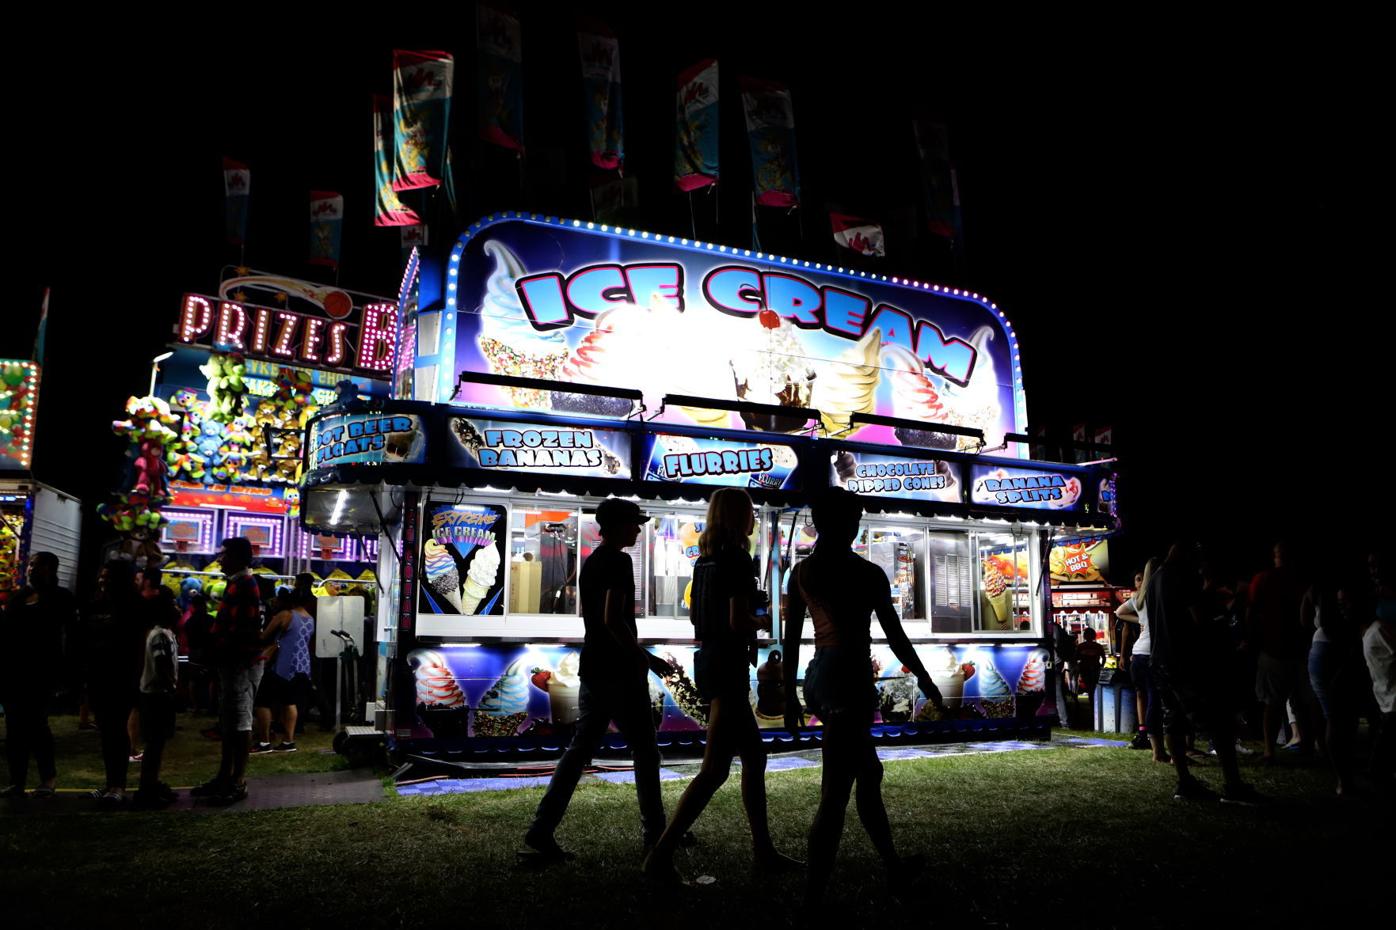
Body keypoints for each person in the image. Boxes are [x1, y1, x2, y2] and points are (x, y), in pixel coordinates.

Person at [782, 488, 947, 907]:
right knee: (836, 791)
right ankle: (812, 899)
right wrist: (927, 682)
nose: (856, 524)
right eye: (854, 518)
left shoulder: (801, 573)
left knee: (867, 774)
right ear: (846, 524)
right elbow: (895, 636)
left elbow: (792, 638)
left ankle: (893, 867)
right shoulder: (868, 573)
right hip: (848, 679)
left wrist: (789, 695)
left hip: (820, 677)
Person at [643, 489, 800, 882]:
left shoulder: (705, 562)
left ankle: (764, 851)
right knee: (714, 770)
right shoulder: (737, 558)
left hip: (710, 661)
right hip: (728, 665)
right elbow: (737, 622)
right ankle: (660, 856)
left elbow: (698, 616)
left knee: (754, 758)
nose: (754, 519)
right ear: (737, 517)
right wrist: (761, 619)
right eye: (749, 512)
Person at [524, 499, 676, 861]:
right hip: (620, 671)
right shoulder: (619, 561)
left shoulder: (592, 561)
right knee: (644, 749)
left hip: (594, 665)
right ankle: (656, 833)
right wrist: (646, 658)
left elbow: (599, 619)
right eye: (634, 524)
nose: (639, 530)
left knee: (580, 751)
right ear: (618, 526)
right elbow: (612, 618)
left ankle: (541, 829)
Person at [1146, 542, 1261, 805]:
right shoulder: (1181, 576)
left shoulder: (1156, 579)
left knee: (1173, 721)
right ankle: (1233, 785)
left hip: (1161, 659)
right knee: (1218, 721)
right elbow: (1199, 619)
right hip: (1187, 660)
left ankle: (1185, 782)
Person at [192, 538, 264, 805]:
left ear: (236, 557)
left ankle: (237, 780)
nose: (219, 559)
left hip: (241, 665)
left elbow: (242, 631)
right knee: (228, 722)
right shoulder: (238, 583)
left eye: (223, 554)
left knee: (240, 722)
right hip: (232, 664)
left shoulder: (245, 585)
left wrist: (219, 651)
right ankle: (225, 776)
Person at [1, 552, 78, 798]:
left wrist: (65, 672)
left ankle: (48, 778)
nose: (30, 569)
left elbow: (70, 635)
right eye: (31, 565)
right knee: (14, 728)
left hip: (42, 671)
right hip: (14, 672)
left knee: (37, 726)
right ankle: (17, 781)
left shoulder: (61, 598)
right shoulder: (19, 597)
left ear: (49, 569)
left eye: (36, 565)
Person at [82, 559, 143, 807]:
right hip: (99, 675)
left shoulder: (133, 607)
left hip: (122, 677)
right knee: (106, 731)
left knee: (117, 730)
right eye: (101, 576)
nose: (102, 581)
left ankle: (118, 784)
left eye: (108, 577)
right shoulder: (96, 604)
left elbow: (136, 647)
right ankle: (109, 783)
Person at [1248, 542, 1309, 763]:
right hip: (1289, 647)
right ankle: (1303, 744)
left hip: (1277, 648)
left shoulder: (1265, 579)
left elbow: (1252, 612)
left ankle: (1271, 750)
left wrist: (1252, 640)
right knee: (1296, 701)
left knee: (1274, 703)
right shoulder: (1298, 580)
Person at [132, 591, 179, 810]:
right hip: (157, 695)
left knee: (157, 743)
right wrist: (171, 686)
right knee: (154, 744)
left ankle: (152, 783)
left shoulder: (163, 633)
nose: (177, 608)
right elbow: (162, 663)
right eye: (173, 604)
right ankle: (147, 788)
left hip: (157, 693)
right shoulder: (160, 634)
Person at [253, 590, 315, 752]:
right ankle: (288, 741)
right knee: (289, 702)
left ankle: (264, 742)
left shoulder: (285, 615)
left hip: (282, 664)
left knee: (262, 701)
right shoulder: (310, 619)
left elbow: (264, 636)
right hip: (301, 665)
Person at [1117, 561, 1167, 759]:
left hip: (1138, 654)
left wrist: (1142, 621)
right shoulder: (1160, 594)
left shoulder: (1139, 597)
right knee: (1155, 700)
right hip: (1151, 653)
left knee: (1146, 697)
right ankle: (1158, 751)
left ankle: (1151, 742)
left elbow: (1119, 612)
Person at [1364, 551, 1395, 790]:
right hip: (1381, 671)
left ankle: (1379, 776)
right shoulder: (1375, 595)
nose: (1373, 571)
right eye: (1370, 566)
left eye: (1377, 565)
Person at [1075, 628, 1105, 713]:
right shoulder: (1098, 646)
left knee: (1089, 687)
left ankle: (1092, 704)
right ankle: (1095, 704)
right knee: (1094, 687)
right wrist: (1101, 666)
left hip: (1085, 669)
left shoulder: (1081, 646)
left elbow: (1076, 658)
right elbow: (1103, 658)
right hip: (1095, 668)